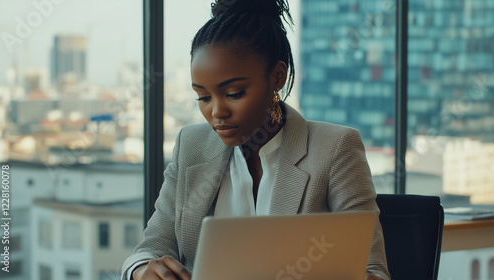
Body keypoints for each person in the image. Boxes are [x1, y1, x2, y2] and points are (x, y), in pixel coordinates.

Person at [122, 0, 390, 279]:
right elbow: (150, 248)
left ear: (277, 77)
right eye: (203, 97)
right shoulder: (191, 146)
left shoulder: (334, 148)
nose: (216, 112)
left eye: (234, 93)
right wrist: (143, 271)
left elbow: (374, 270)